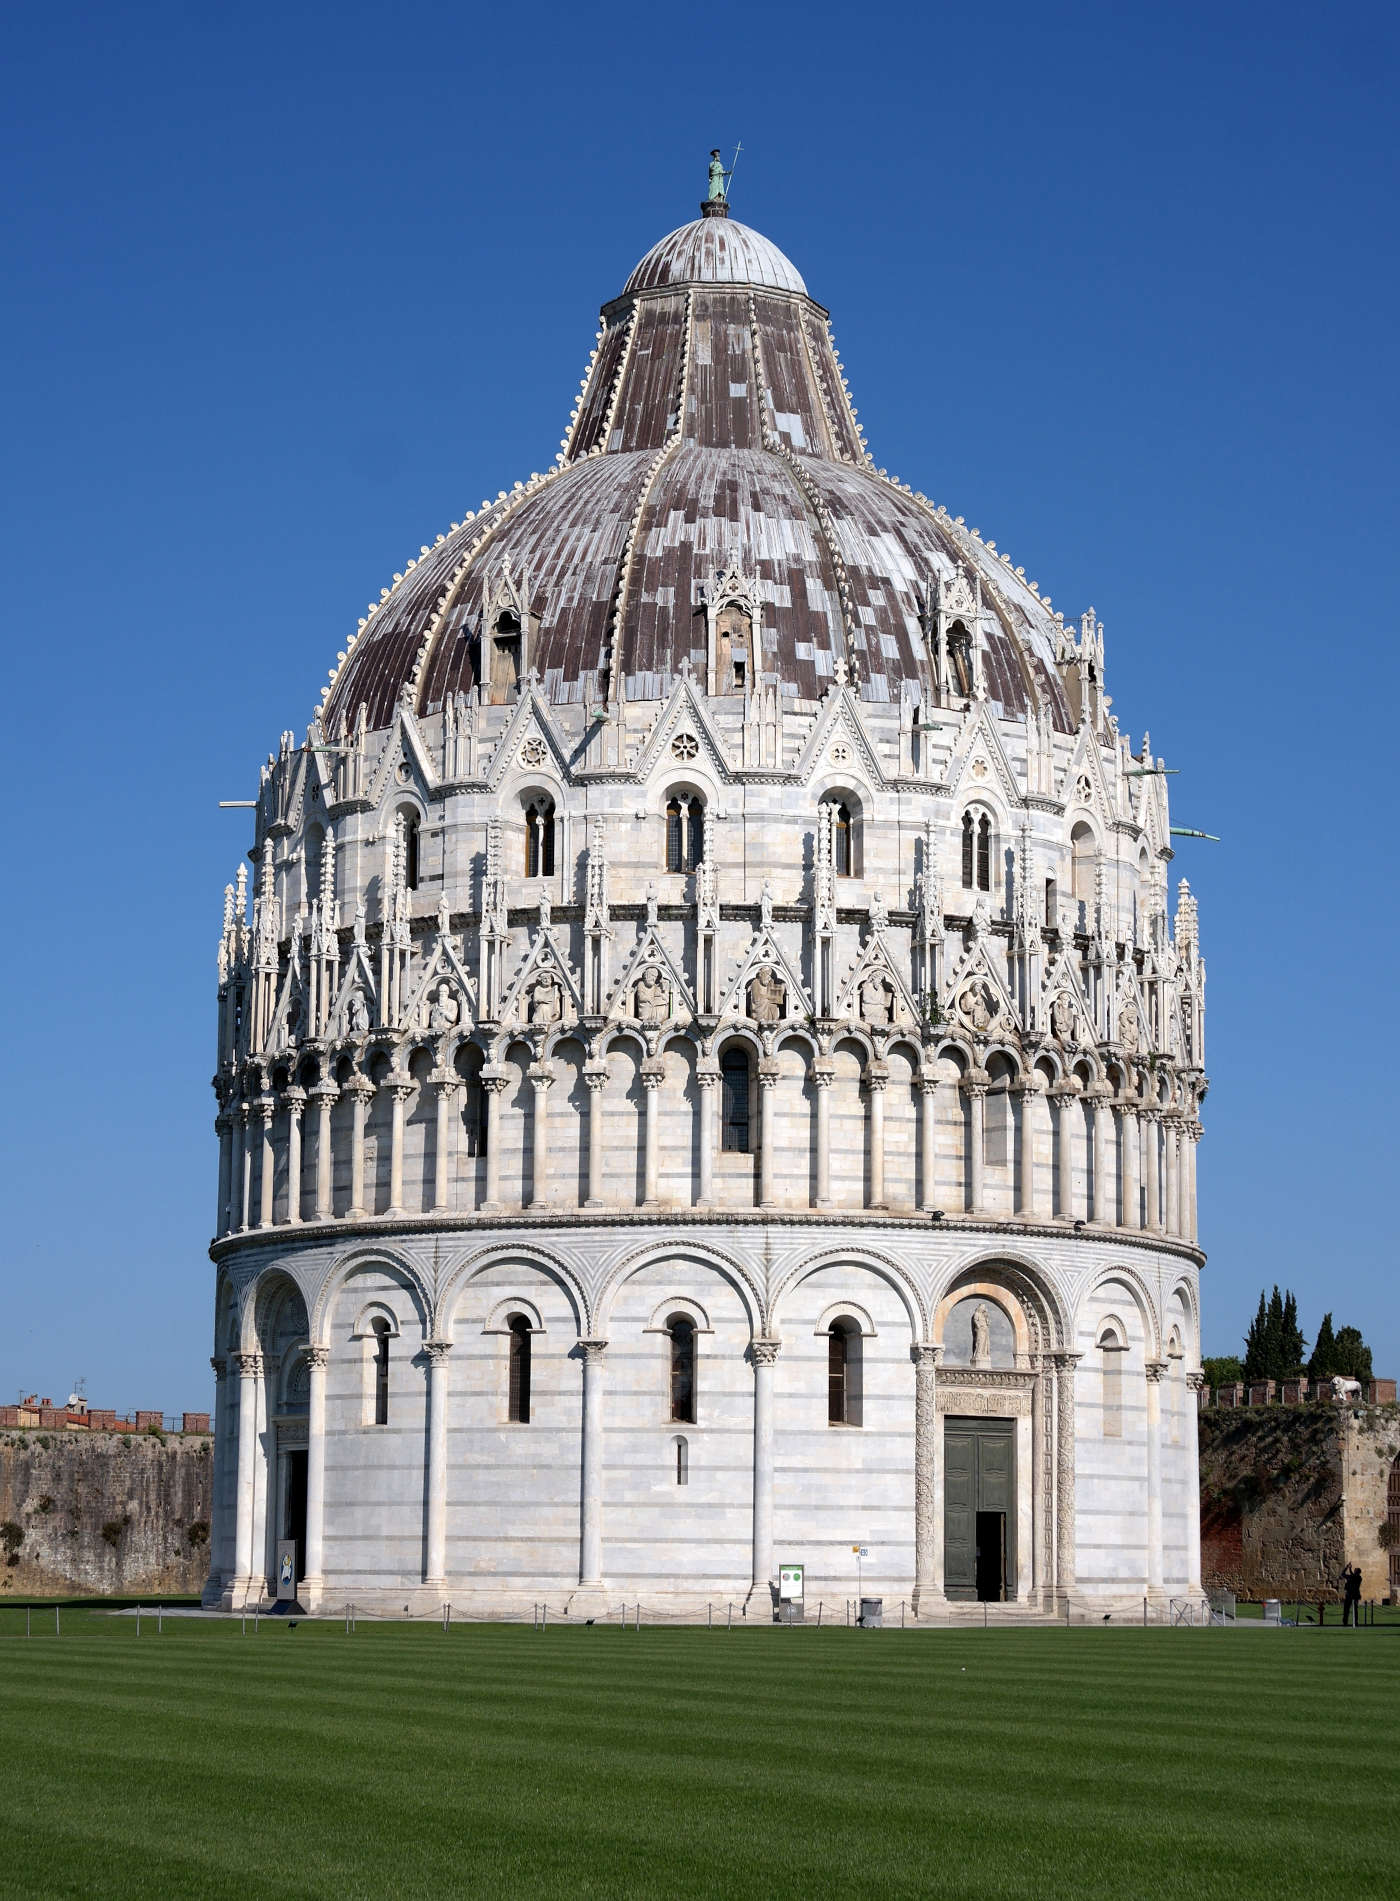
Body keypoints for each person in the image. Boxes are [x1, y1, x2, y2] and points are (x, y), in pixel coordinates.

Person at [1342, 1562, 1363, 1627]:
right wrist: (1347, 1568)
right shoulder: (1351, 1577)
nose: (1354, 1571)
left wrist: (1349, 1568)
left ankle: (1355, 1622)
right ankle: (1345, 1622)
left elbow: (1353, 1576)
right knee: (1346, 1609)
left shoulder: (1358, 1578)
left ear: (1358, 1572)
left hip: (1354, 1595)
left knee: (1354, 1610)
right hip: (1349, 1595)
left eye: (1355, 1570)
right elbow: (1343, 1574)